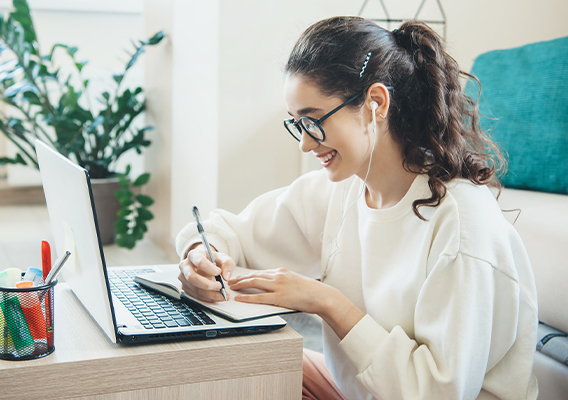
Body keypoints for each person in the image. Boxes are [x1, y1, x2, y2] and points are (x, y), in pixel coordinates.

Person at [175, 16, 538, 400]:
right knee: (235, 366)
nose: (305, 143)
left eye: (313, 121)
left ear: (375, 104)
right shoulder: (346, 188)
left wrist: (325, 302)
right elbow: (234, 233)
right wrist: (201, 254)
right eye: (297, 124)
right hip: (359, 391)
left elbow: (436, 394)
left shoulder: (461, 224)